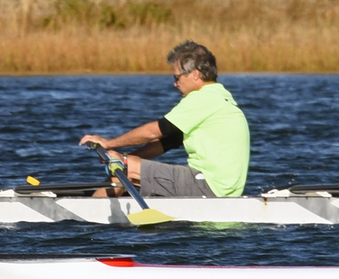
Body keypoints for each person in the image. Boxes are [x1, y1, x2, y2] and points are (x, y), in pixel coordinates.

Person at [78, 41, 250, 198]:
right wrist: (125, 157)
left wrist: (109, 144)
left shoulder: (202, 98)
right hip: (222, 189)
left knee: (124, 166)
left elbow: (154, 132)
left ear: (195, 75)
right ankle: (98, 203)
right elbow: (167, 142)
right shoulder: (221, 96)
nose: (175, 84)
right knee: (123, 164)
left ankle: (86, 219)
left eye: (177, 78)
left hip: (208, 186)